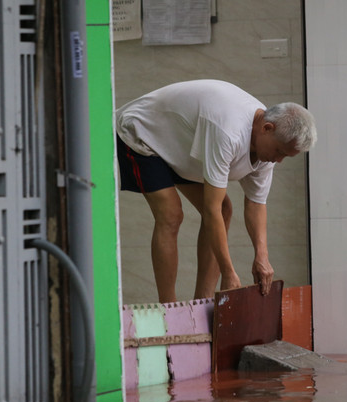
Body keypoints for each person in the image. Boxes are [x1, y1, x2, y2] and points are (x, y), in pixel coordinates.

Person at [115, 79, 317, 303]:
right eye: (279, 152)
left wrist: (262, 256)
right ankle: (168, 310)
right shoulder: (228, 131)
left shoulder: (267, 141)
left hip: (179, 144)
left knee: (224, 209)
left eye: (285, 157)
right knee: (171, 215)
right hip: (142, 133)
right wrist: (228, 272)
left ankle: (202, 302)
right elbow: (210, 210)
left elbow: (256, 203)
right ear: (267, 128)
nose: (278, 161)